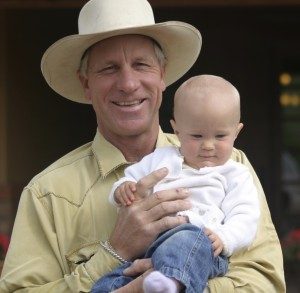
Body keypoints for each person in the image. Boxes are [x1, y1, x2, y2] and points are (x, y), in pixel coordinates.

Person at [0, 0, 285, 292]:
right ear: (86, 84)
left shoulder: (229, 164)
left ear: (162, 73)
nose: (128, 83)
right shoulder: (48, 193)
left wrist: (180, 280)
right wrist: (114, 253)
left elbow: (265, 282)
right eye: (109, 68)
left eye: (141, 65)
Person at [91, 75, 260, 293]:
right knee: (112, 277)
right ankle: (127, 286)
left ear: (236, 132)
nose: (208, 145)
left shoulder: (235, 173)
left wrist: (224, 238)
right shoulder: (161, 158)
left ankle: (166, 283)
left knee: (188, 239)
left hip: (202, 246)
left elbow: (245, 216)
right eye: (197, 136)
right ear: (177, 129)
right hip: (150, 248)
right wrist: (122, 190)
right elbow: (133, 179)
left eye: (220, 136)